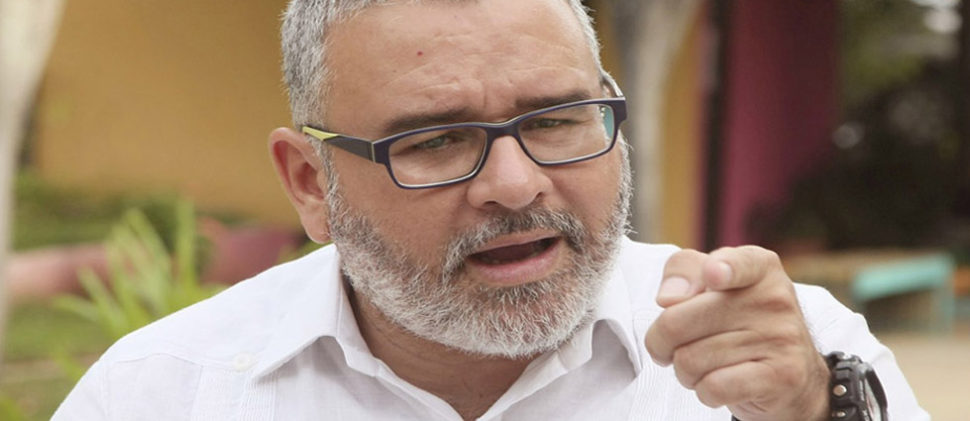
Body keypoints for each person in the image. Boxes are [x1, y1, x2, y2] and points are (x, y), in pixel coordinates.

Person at [54, 0, 928, 420]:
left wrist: (814, 410)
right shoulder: (163, 393)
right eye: (435, 140)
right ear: (311, 183)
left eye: (554, 120)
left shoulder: (793, 358)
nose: (514, 184)